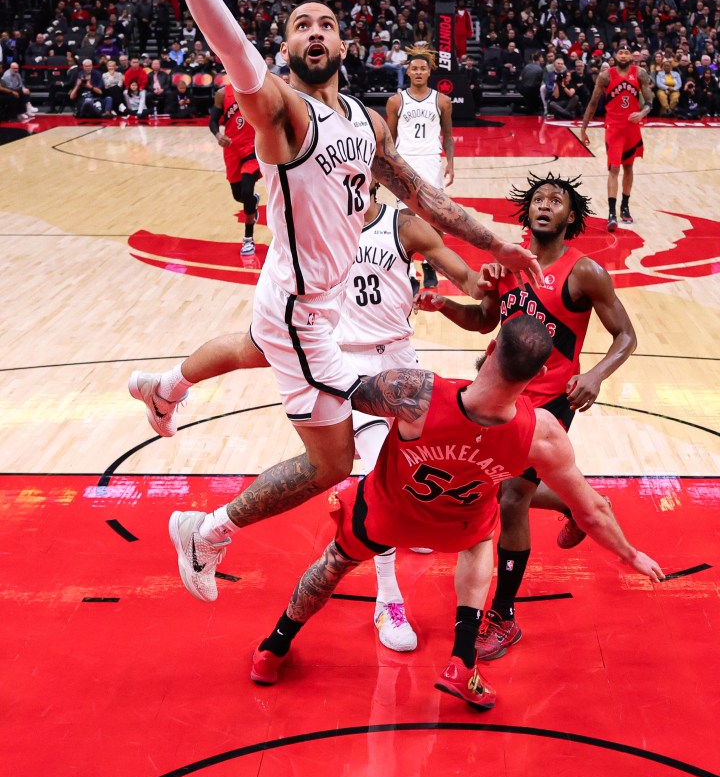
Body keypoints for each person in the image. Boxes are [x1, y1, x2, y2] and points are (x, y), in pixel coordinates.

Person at [117, 0, 540, 605]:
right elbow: (233, 49)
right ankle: (207, 530)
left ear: (344, 46)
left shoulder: (365, 123)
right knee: (346, 452)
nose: (314, 32)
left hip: (300, 294)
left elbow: (427, 199)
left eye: (326, 24)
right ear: (286, 49)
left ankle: (166, 388)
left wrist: (498, 240)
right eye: (300, 26)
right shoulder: (282, 112)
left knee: (254, 350)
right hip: (303, 312)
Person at [133, 178, 487, 651]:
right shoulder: (316, 226)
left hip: (401, 361)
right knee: (380, 478)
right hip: (343, 363)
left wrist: (487, 279)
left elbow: (468, 279)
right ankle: (388, 598)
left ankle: (165, 389)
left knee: (408, 465)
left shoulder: (403, 226)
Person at [249, 316, 664, 706]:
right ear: (539, 374)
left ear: (491, 347)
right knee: (483, 538)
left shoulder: (416, 393)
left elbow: (341, 390)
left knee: (334, 562)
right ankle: (462, 660)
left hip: (388, 515)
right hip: (459, 527)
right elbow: (592, 511)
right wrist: (631, 555)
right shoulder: (542, 434)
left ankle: (273, 648)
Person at [417, 172, 639, 661]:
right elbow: (484, 321)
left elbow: (626, 336)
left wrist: (596, 375)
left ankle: (504, 616)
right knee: (500, 489)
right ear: (526, 211)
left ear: (570, 217)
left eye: (556, 201)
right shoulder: (508, 265)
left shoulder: (585, 273)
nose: (545, 205)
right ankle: (575, 505)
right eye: (538, 199)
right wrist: (444, 305)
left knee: (512, 497)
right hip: (504, 396)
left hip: (552, 401)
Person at [385, 46, 455, 290]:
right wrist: (388, 165)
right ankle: (408, 272)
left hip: (431, 161)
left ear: (429, 72)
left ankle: (430, 265)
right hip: (405, 161)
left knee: (435, 217)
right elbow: (389, 138)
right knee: (406, 219)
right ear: (408, 71)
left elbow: (448, 136)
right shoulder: (395, 101)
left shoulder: (443, 101)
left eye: (422, 69)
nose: (418, 72)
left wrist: (451, 164)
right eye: (414, 68)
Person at [579, 45, 653, 233]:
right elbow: (593, 103)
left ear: (631, 56)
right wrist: (584, 128)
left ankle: (625, 206)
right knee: (614, 168)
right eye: (620, 52)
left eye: (626, 53)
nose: (623, 55)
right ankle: (611, 213)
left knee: (629, 167)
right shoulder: (606, 76)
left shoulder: (640, 73)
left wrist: (642, 113)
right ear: (615, 56)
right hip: (614, 127)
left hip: (632, 128)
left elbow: (649, 102)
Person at [210, 80, 262, 255]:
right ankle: (252, 201)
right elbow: (212, 121)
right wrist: (218, 135)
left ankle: (248, 239)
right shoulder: (222, 94)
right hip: (232, 148)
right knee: (238, 195)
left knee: (246, 191)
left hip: (252, 148)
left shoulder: (256, 90)